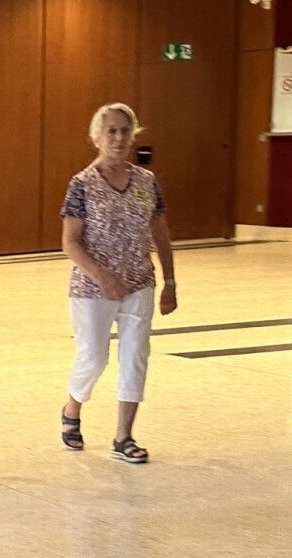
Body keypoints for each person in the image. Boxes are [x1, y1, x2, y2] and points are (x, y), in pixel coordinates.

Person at [59, 102, 177, 463]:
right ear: (96, 137)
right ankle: (72, 407)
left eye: (125, 130)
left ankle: (123, 436)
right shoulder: (81, 184)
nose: (119, 137)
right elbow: (70, 243)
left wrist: (170, 281)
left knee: (135, 356)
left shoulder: (147, 182)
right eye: (111, 131)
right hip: (92, 289)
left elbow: (160, 232)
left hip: (139, 282)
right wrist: (104, 277)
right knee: (94, 358)